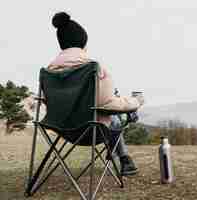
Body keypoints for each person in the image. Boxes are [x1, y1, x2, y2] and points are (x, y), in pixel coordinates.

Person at [48, 12, 144, 176]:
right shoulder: (92, 68)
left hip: (63, 130)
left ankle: (117, 152)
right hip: (93, 131)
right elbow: (108, 105)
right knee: (120, 116)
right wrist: (136, 102)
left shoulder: (49, 72)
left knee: (112, 113)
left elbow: (49, 103)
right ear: (83, 43)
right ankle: (123, 157)